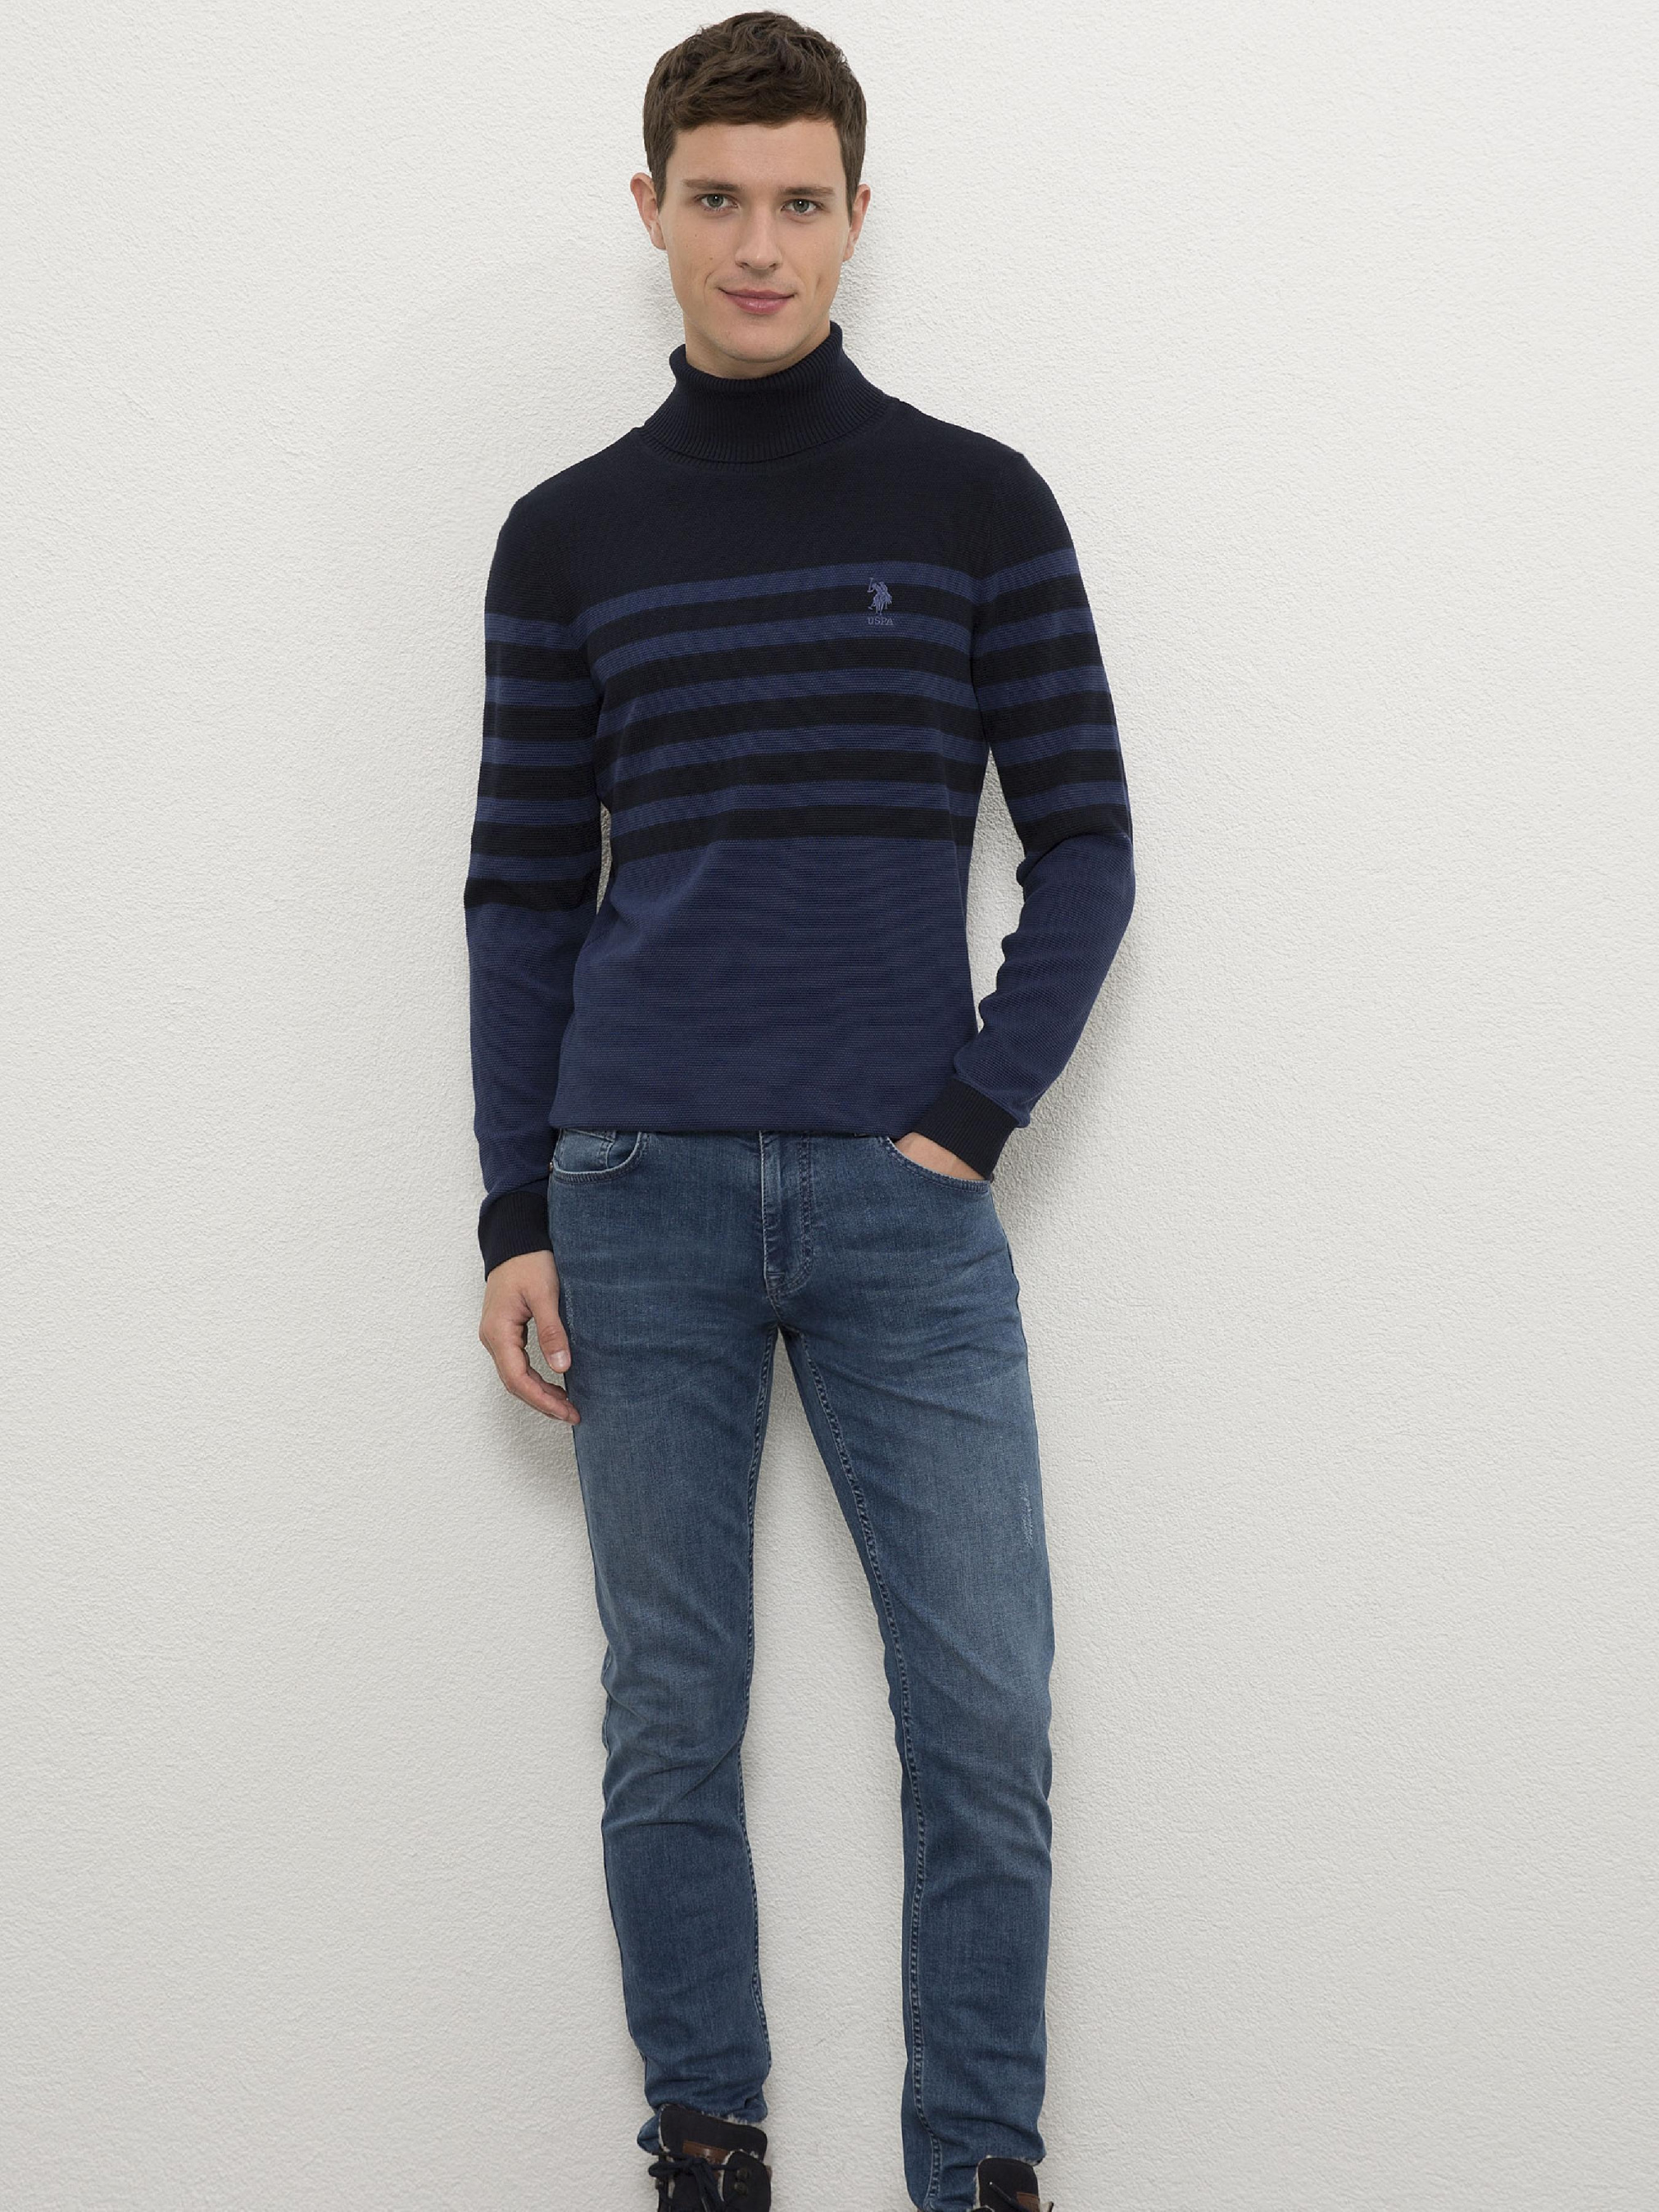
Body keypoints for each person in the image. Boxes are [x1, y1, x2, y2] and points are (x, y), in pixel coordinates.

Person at [466, 14, 1134, 2210]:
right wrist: (513, 1209)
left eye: (801, 201)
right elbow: (518, 892)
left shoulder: (973, 500)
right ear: (649, 208)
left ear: (857, 215)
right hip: (633, 1186)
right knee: (671, 1715)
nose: (759, 244)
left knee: (987, 1718)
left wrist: (971, 1111)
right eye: (718, 200)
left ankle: (979, 2171)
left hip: (900, 1200)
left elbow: (1089, 844)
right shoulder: (566, 538)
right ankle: (710, 2153)